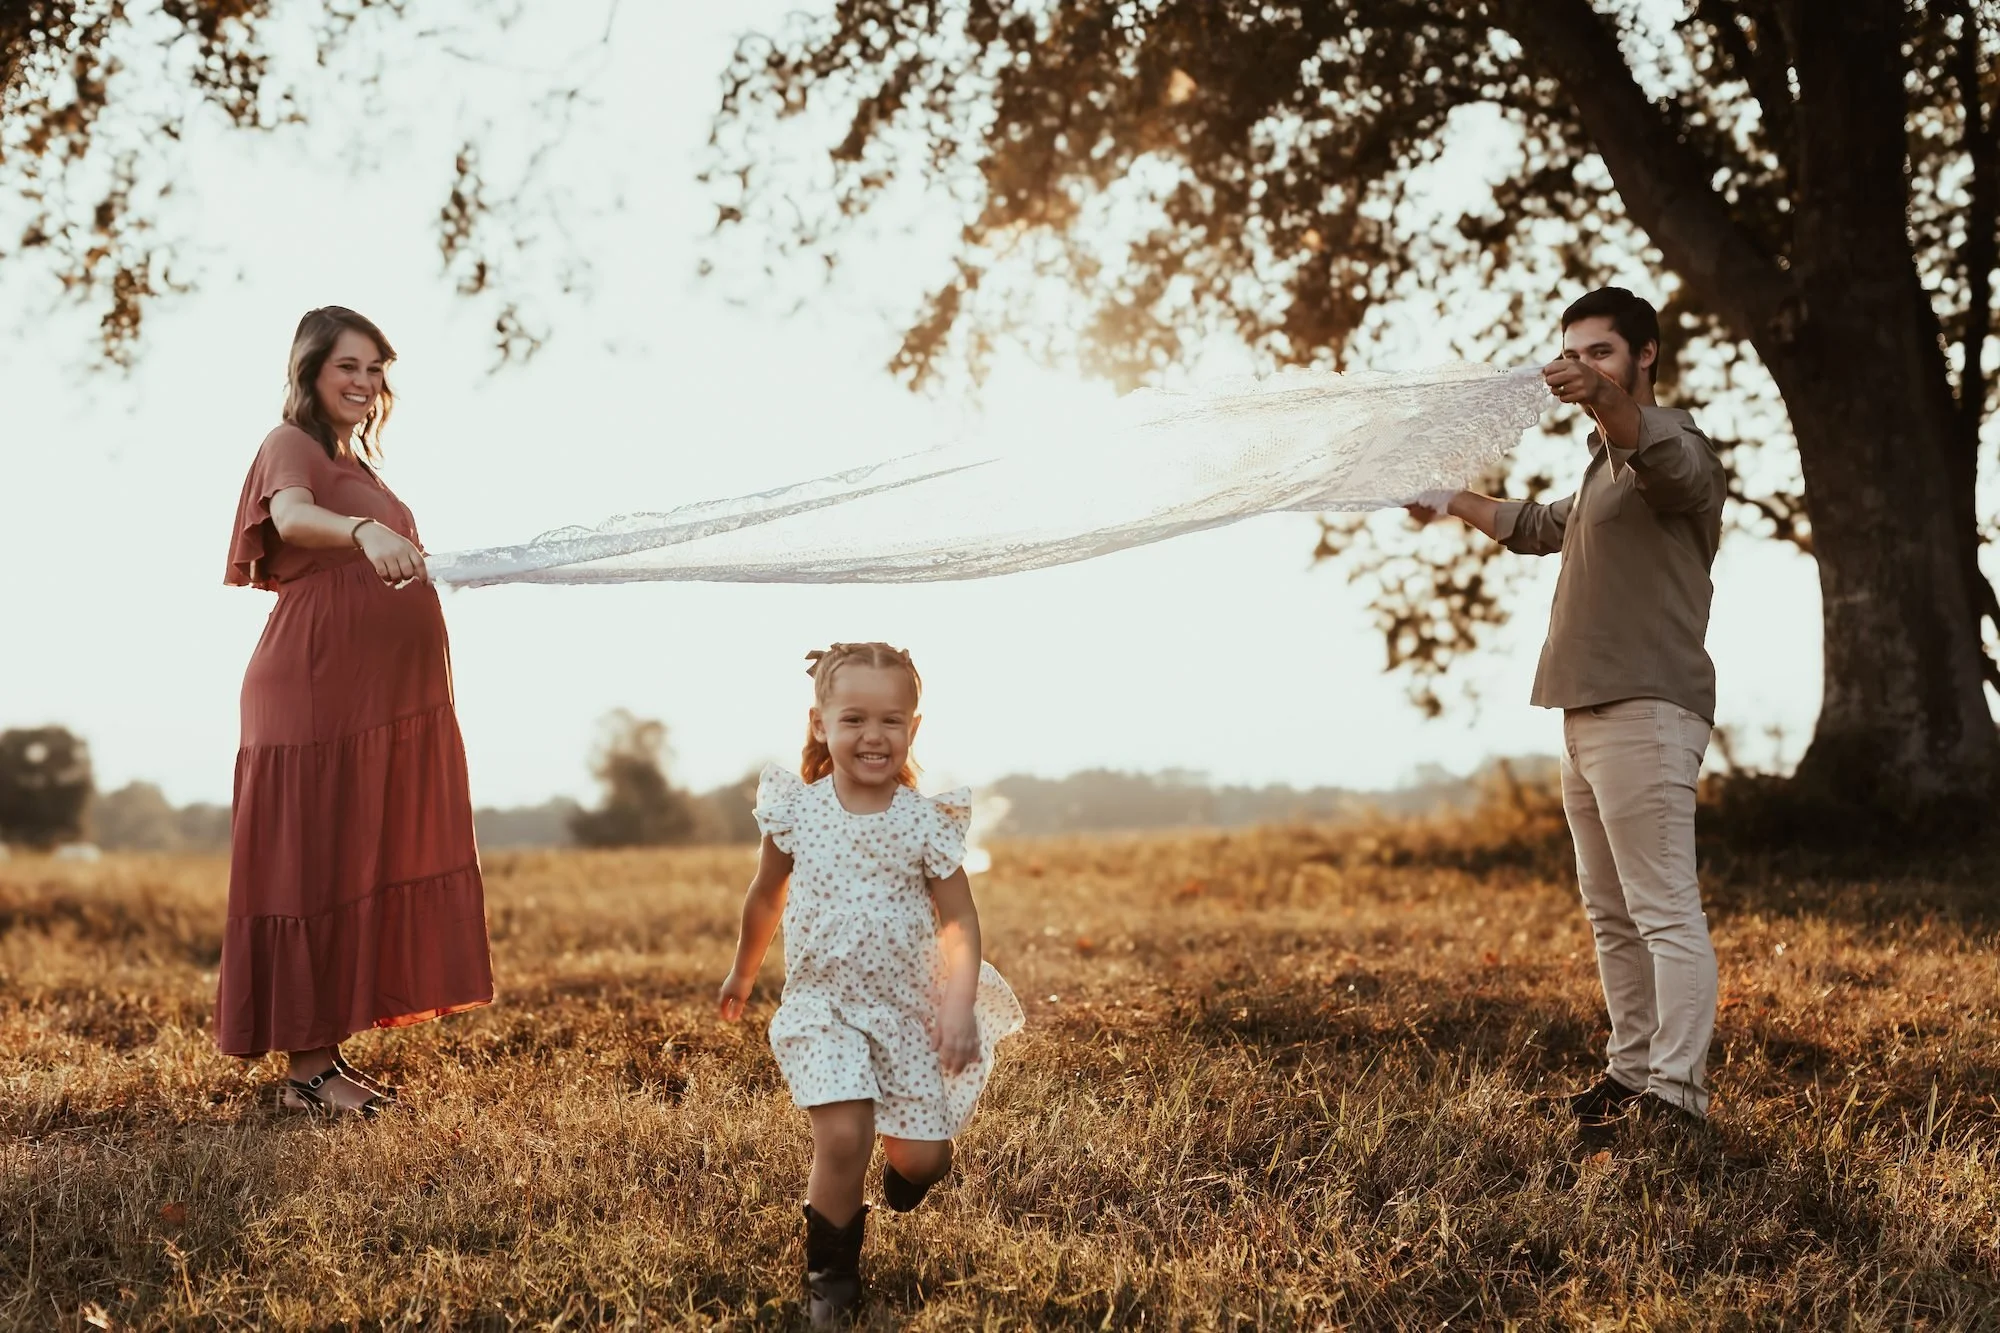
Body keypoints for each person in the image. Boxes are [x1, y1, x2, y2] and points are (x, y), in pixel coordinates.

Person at [1408, 287, 1724, 1130]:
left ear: (1644, 355)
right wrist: (1448, 500)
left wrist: (1608, 400)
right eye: (1574, 353)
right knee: (1611, 910)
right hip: (1583, 715)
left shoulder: (1675, 446)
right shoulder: (1598, 474)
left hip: (1648, 708)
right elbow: (1536, 523)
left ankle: (1677, 1095)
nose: (1584, 368)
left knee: (1664, 909)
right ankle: (1630, 1074)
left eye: (1602, 353)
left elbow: (1658, 456)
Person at [216, 306, 493, 1116]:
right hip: (313, 688)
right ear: (310, 370)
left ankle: (322, 1061)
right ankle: (308, 1072)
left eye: (376, 370)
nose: (366, 384)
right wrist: (365, 528)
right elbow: (294, 518)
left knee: (352, 859)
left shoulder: (356, 463)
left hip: (376, 700)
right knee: (314, 859)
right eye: (350, 367)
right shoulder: (290, 444)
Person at [719, 641, 1023, 1327]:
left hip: (909, 1012)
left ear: (912, 729)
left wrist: (955, 1006)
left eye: (891, 720)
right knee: (845, 1133)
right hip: (822, 1007)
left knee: (924, 1160)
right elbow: (765, 895)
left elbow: (961, 920)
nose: (872, 735)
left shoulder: (925, 821)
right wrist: (743, 971)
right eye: (854, 718)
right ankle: (831, 1278)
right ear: (821, 722)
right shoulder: (797, 810)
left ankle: (906, 1170)